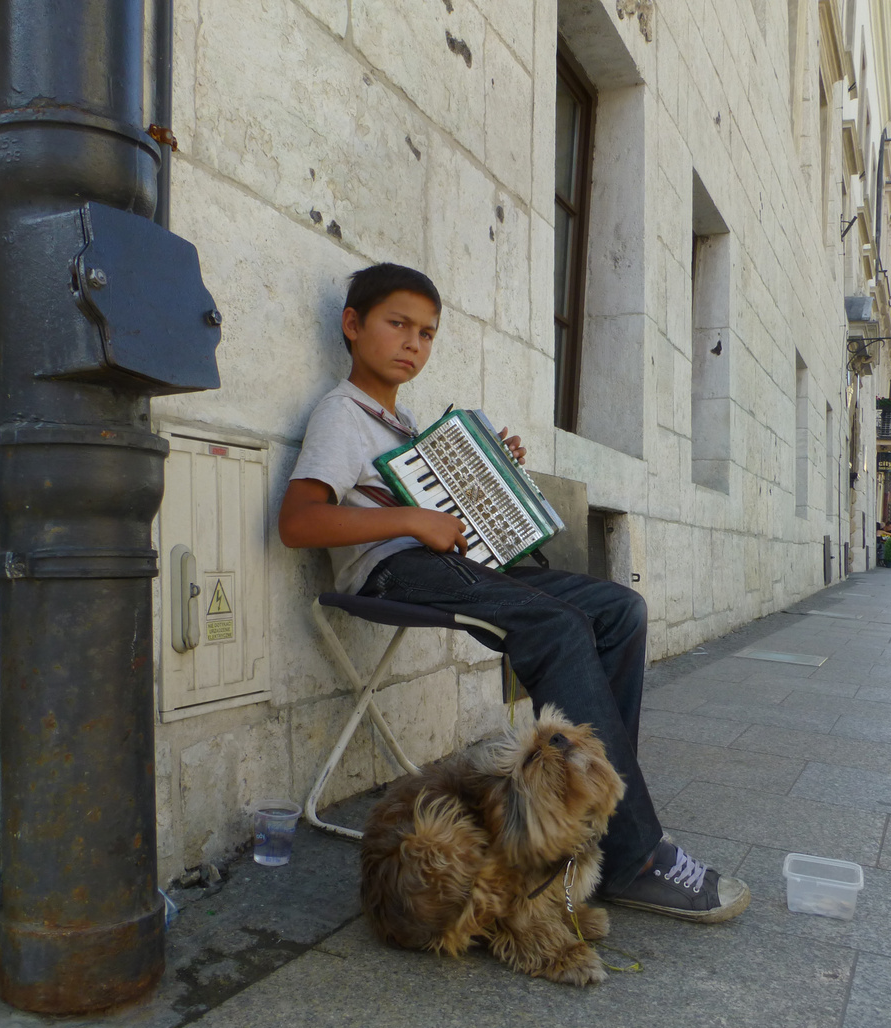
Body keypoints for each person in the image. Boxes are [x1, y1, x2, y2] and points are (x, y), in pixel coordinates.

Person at [277, 263, 748, 922]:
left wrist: (494, 474)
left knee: (619, 609)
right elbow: (299, 522)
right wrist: (411, 519)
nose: (413, 342)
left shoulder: (407, 422)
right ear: (353, 327)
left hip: (447, 561)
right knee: (553, 625)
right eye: (397, 325)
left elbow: (449, 519)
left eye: (427, 333)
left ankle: (590, 821)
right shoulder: (341, 414)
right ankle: (634, 854)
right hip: (392, 569)